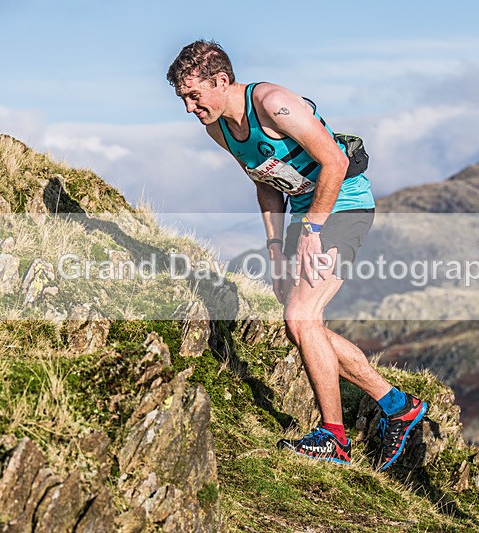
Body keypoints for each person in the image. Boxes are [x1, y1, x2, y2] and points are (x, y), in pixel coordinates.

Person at [166, 40, 426, 469]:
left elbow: (335, 163)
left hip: (342, 204)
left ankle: (334, 437)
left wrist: (312, 229)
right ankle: (397, 405)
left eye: (195, 96)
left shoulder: (272, 103)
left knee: (301, 318)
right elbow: (265, 183)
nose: (190, 108)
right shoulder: (219, 128)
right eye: (183, 99)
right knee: (302, 328)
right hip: (306, 213)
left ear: (222, 81)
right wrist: (275, 248)